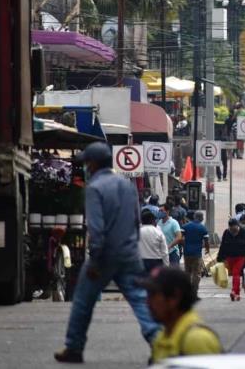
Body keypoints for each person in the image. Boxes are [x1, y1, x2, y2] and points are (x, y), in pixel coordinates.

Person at [54, 142, 160, 363]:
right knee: (140, 299)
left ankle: (74, 347)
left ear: (92, 164)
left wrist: (94, 260)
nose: (85, 167)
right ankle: (160, 343)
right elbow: (136, 220)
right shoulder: (127, 185)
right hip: (130, 252)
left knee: (83, 301)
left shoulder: (94, 188)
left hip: (104, 255)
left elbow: (97, 228)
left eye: (86, 163)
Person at [144, 267, 224, 362]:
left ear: (174, 298)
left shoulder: (196, 340)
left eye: (153, 295)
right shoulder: (163, 336)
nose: (147, 302)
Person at [217, 219, 245, 301]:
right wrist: (220, 257)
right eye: (231, 229)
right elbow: (223, 245)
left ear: (238, 226)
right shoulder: (226, 232)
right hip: (230, 257)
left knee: (236, 273)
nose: (233, 231)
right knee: (234, 275)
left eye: (235, 228)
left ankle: (233, 291)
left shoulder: (243, 232)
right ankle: (237, 295)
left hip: (241, 257)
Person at [181, 211, 210, 298]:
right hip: (197, 254)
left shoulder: (185, 226)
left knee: (187, 272)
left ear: (194, 217)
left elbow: (180, 238)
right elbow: (206, 241)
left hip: (186, 253)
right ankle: (194, 291)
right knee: (196, 273)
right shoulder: (203, 228)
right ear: (201, 218)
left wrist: (184, 246)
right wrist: (207, 249)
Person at [159, 203, 183, 267]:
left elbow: (179, 237)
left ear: (167, 211)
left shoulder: (174, 223)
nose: (160, 212)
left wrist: (169, 246)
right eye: (159, 211)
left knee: (173, 275)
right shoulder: (159, 223)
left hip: (172, 253)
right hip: (162, 253)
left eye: (162, 211)